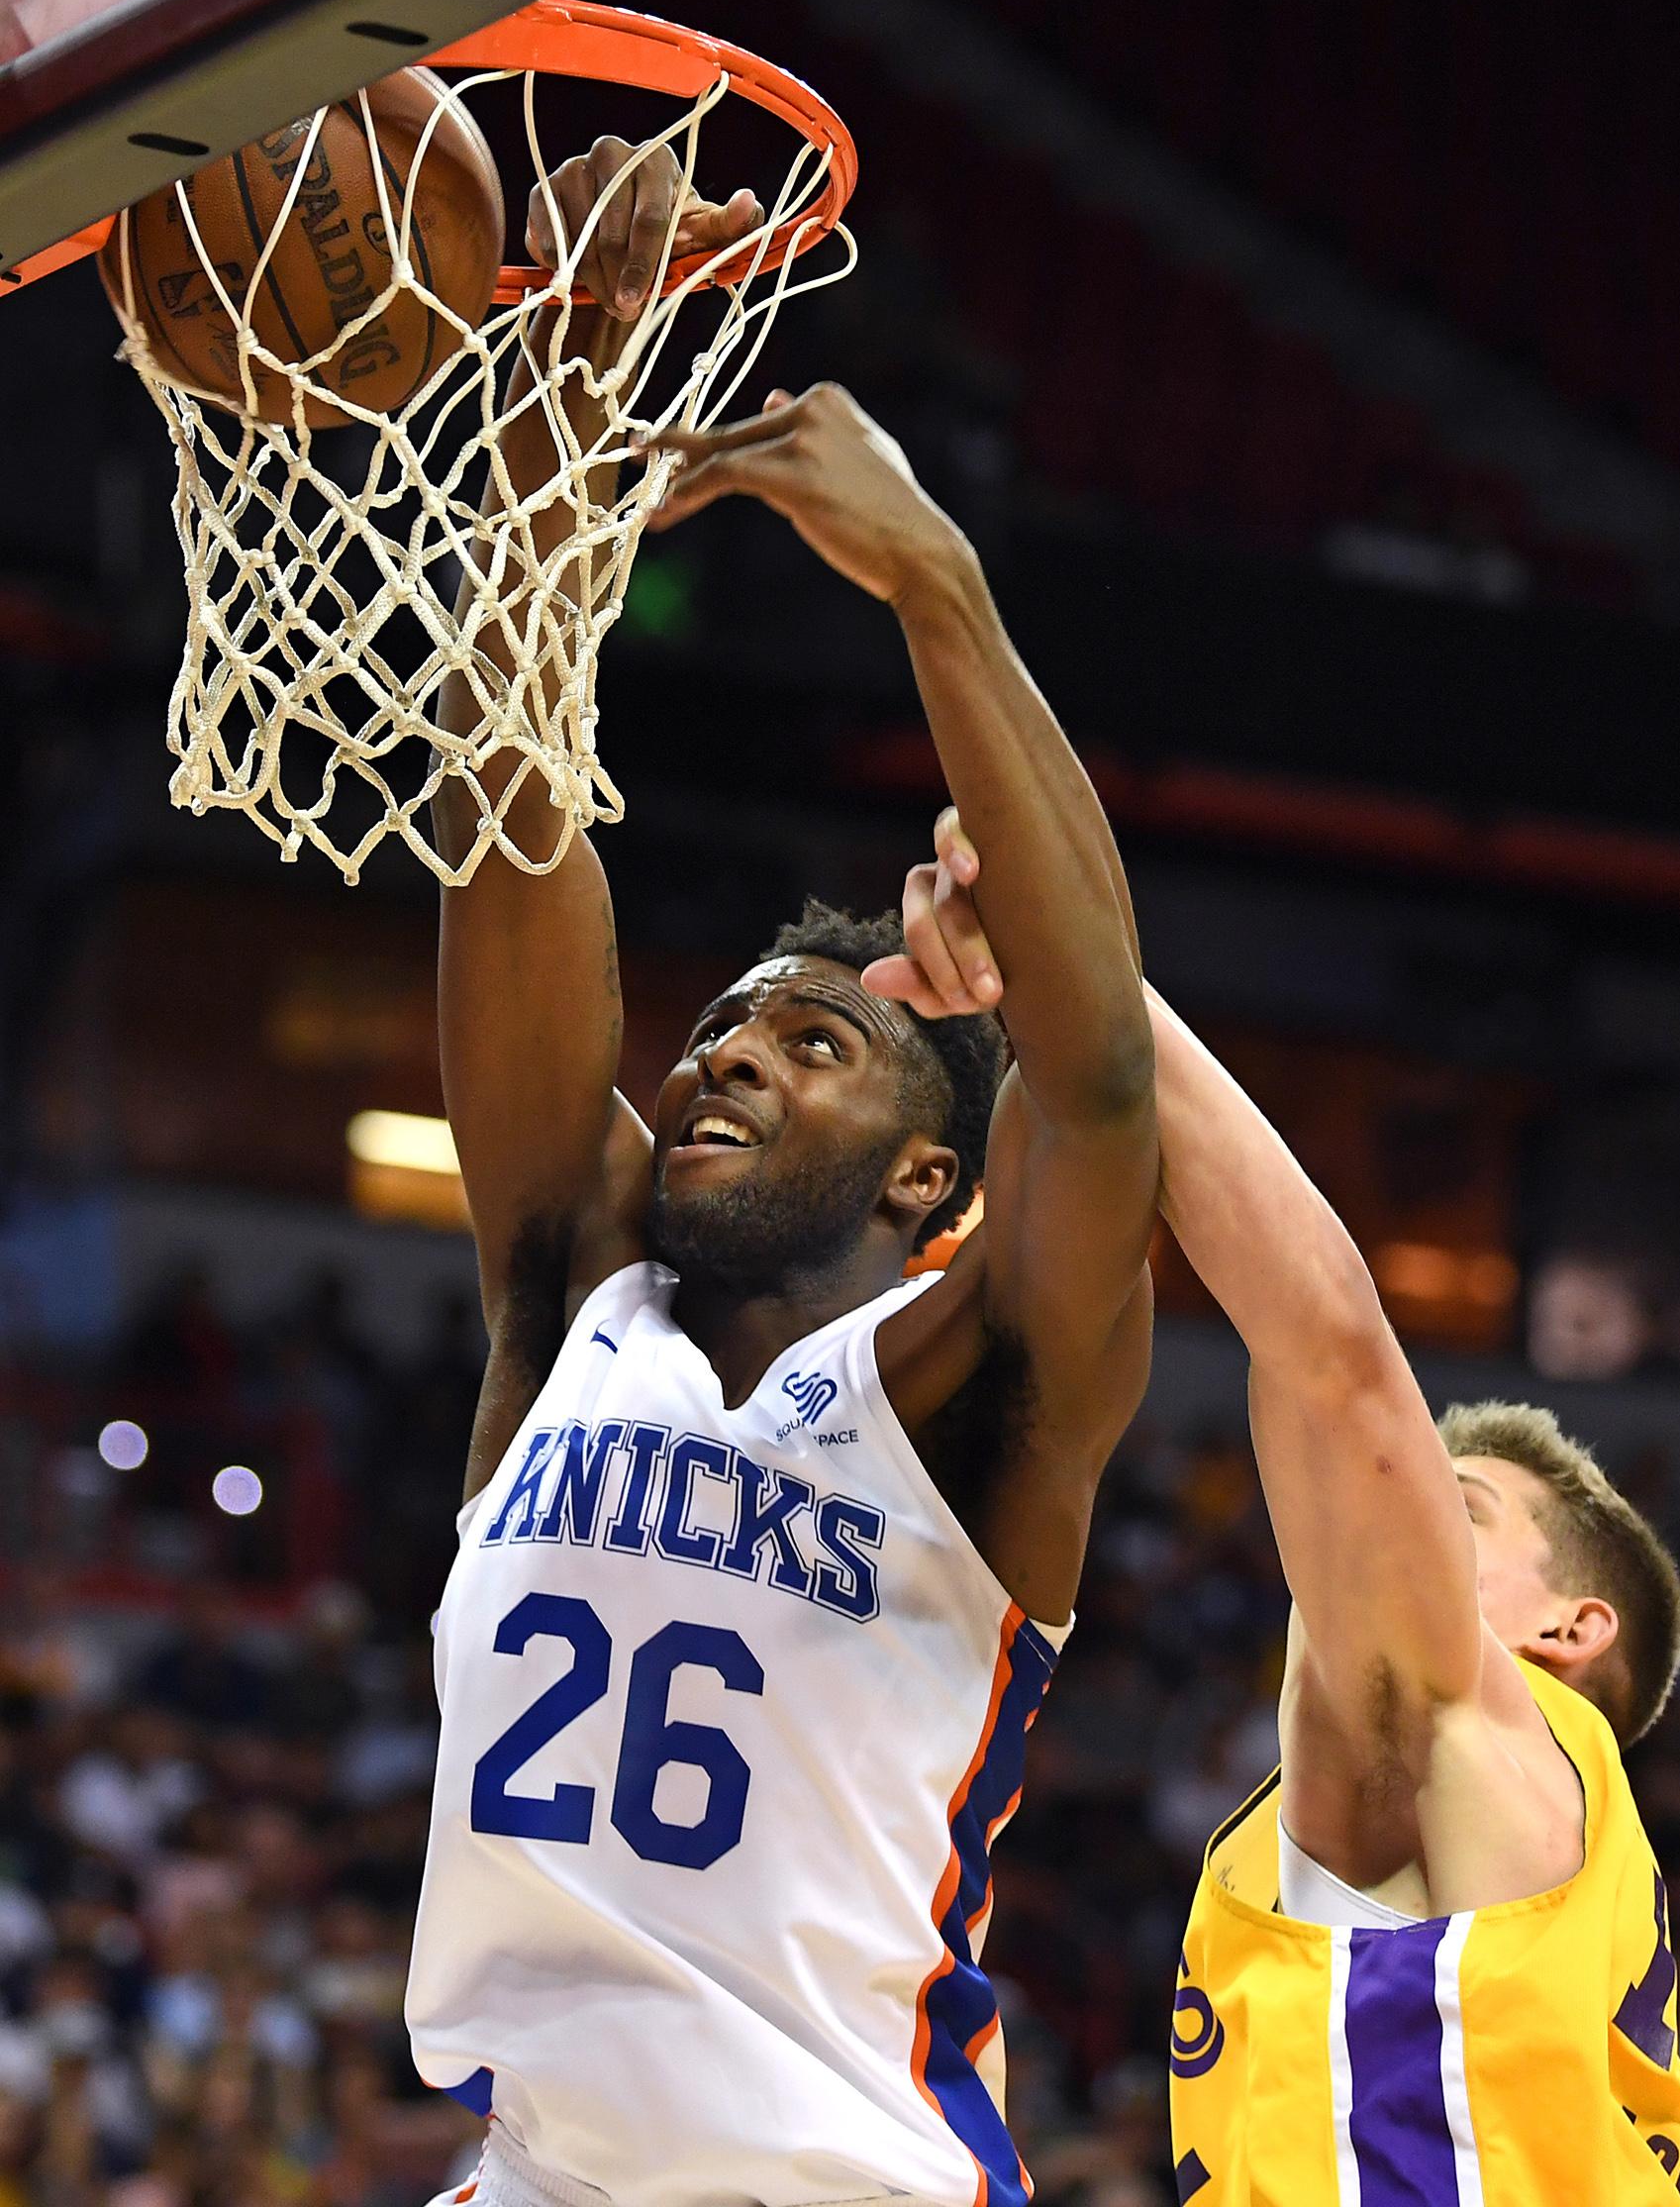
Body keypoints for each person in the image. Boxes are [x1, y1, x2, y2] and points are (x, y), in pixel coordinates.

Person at [405, 143, 1161, 2207]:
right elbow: (510, 828)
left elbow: (1098, 1093)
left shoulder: (978, 1406)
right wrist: (547, 505)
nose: (727, 1048)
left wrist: (938, 585)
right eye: (726, 1024)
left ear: (934, 1180)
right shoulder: (577, 1301)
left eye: (812, 1043)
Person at [884, 812, 1680, 2206]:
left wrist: (1069, 961)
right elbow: (1312, 1376)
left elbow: (1332, 1360)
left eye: (1450, 1508)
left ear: (1568, 1628)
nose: (1387, 1511)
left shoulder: (1517, 1739)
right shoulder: (1391, 1816)